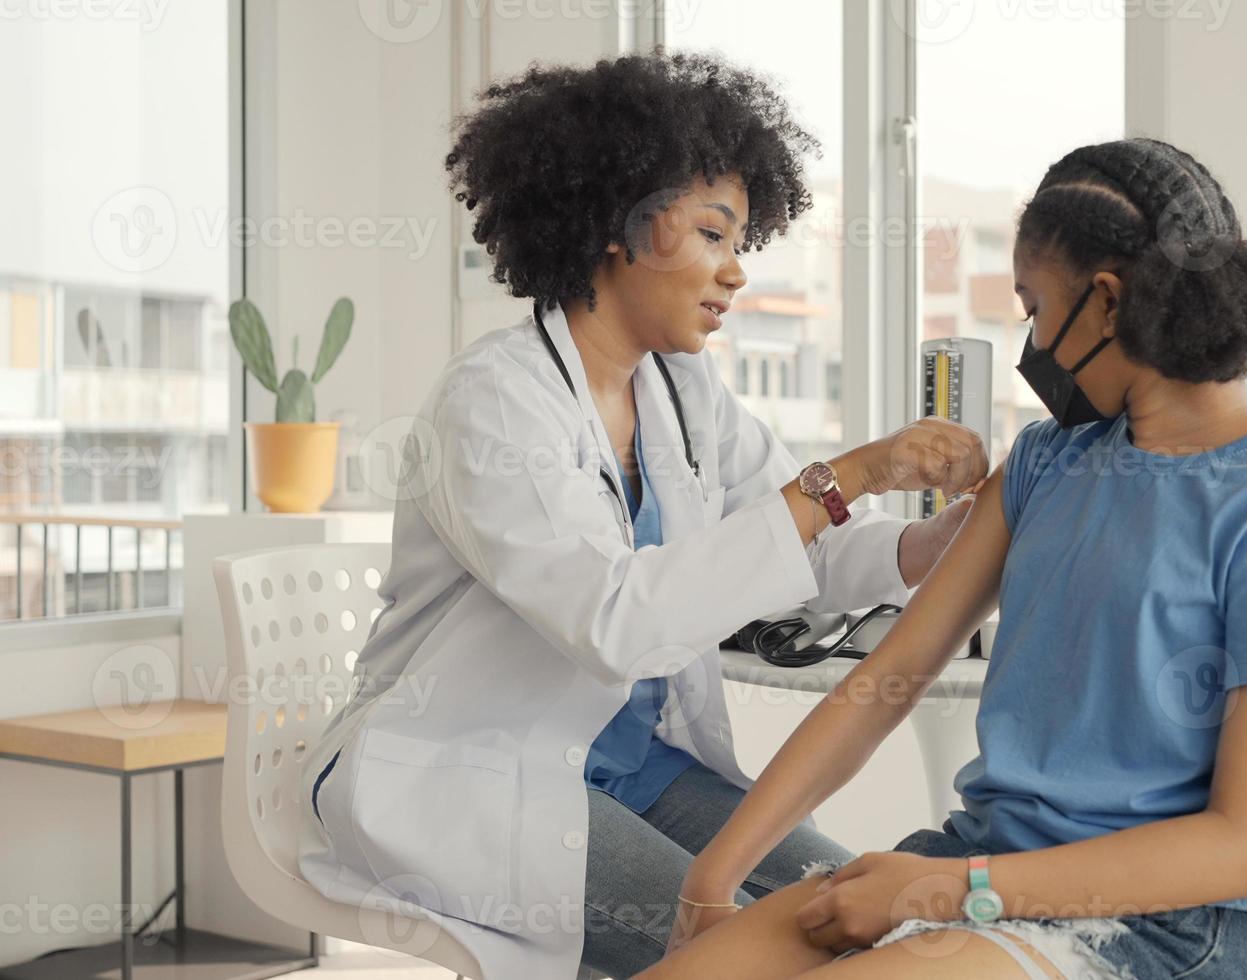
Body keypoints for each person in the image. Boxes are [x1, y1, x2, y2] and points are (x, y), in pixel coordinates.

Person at [296, 52, 987, 979]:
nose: (736, 273)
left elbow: (799, 543)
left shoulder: (679, 386)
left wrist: (930, 545)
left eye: (739, 240)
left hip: (636, 767)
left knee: (868, 921)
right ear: (617, 226)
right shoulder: (496, 403)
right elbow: (616, 622)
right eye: (712, 232)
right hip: (480, 774)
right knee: (770, 957)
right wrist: (852, 472)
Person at [640, 138, 1247, 980]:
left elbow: (1240, 851)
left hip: (1152, 928)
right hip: (975, 866)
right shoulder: (1045, 462)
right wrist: (712, 877)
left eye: (1034, 307)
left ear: (1106, 302)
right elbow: (889, 679)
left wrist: (945, 892)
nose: (1034, 343)